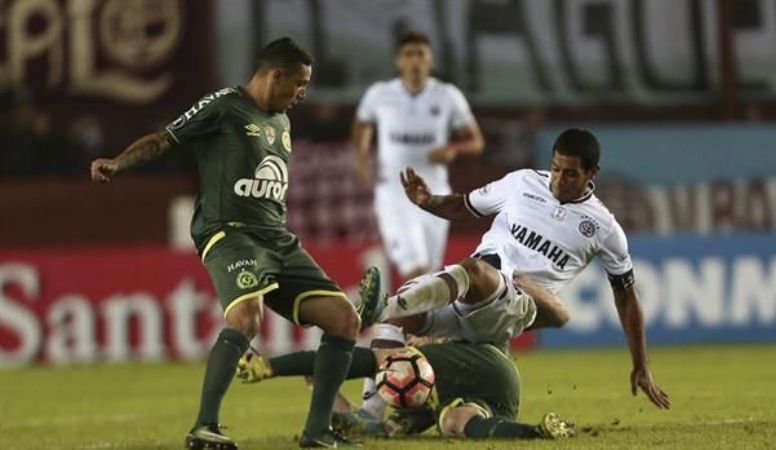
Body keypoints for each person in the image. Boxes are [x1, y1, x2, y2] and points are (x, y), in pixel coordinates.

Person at [90, 37, 381, 449]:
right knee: (246, 318)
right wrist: (118, 163)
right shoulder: (224, 105)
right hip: (229, 233)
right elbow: (164, 138)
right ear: (275, 74)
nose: (302, 93)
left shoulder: (281, 121)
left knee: (344, 320)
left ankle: (318, 432)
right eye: (299, 84)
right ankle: (204, 427)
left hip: (277, 239)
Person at [364, 128, 669, 418]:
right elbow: (464, 206)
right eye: (556, 168)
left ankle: (383, 304)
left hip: (514, 305)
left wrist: (641, 364)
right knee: (394, 323)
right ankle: (371, 416)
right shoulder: (522, 182)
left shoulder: (605, 228)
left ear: (593, 173)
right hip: (469, 292)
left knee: (469, 271)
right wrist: (428, 201)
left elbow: (626, 297)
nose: (559, 179)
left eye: (571, 173)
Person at [235, 341, 575, 441]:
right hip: (496, 371)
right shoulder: (407, 359)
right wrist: (325, 389)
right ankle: (537, 431)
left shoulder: (397, 363)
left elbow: (338, 359)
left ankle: (535, 432)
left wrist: (274, 367)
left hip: (483, 372)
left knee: (451, 422)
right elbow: (369, 425)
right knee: (454, 419)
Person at [353, 30, 485, 282]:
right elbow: (362, 123)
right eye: (408, 54)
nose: (415, 60)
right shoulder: (380, 94)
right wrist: (361, 157)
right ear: (399, 61)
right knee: (414, 269)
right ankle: (400, 321)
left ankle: (412, 320)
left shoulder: (447, 96)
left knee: (430, 275)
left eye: (421, 54)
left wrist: (452, 149)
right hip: (393, 193)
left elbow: (476, 141)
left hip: (434, 193)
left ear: (430, 60)